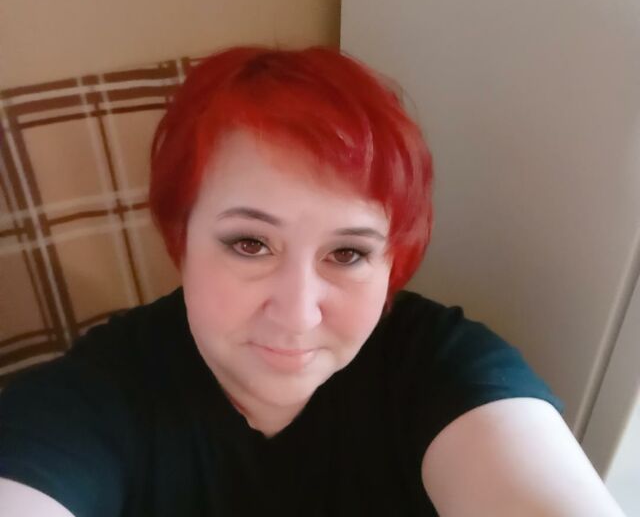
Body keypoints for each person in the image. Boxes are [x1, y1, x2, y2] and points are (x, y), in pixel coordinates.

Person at [0, 47, 625, 516]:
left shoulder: (443, 366)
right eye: (250, 244)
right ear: (180, 240)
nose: (298, 314)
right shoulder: (96, 397)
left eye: (347, 253)